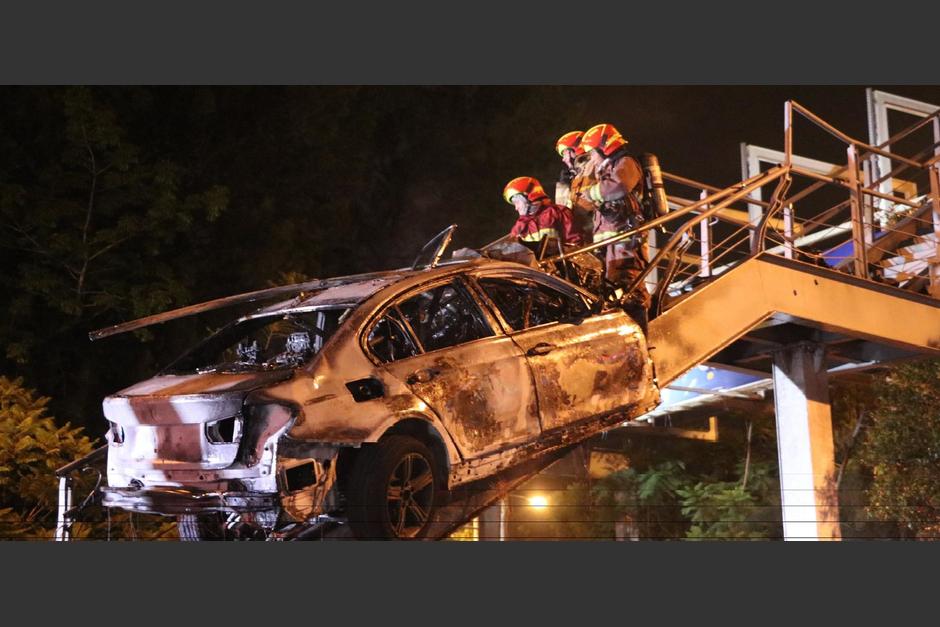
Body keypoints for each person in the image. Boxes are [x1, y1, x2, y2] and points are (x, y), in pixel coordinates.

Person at [576, 123, 650, 308]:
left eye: (593, 152)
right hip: (611, 239)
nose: (591, 157)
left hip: (625, 237)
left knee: (629, 282)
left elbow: (619, 186)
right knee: (611, 283)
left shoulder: (626, 163)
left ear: (604, 147)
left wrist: (592, 193)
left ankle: (643, 322)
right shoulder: (609, 168)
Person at [503, 176, 585, 250]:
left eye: (517, 202)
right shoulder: (520, 225)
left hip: (558, 264)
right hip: (533, 266)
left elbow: (575, 244)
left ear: (529, 196)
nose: (516, 208)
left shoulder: (558, 212)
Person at [554, 130, 594, 241]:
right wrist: (563, 187)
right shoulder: (576, 177)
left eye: (564, 153)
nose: (563, 159)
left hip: (596, 231)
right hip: (585, 235)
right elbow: (563, 211)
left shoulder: (594, 167)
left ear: (575, 150)